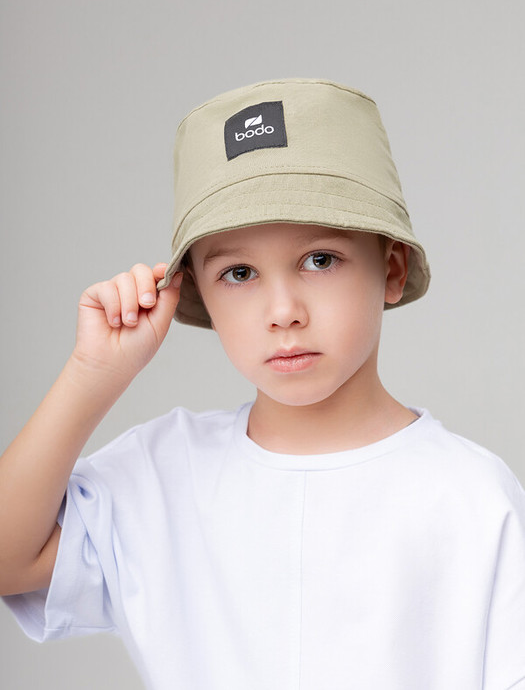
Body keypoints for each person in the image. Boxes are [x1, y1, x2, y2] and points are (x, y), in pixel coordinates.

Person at [1, 79, 524, 690]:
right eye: (239, 272)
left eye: (320, 259)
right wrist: (92, 374)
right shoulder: (161, 476)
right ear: (199, 292)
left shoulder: (471, 497)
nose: (283, 312)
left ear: (391, 267)